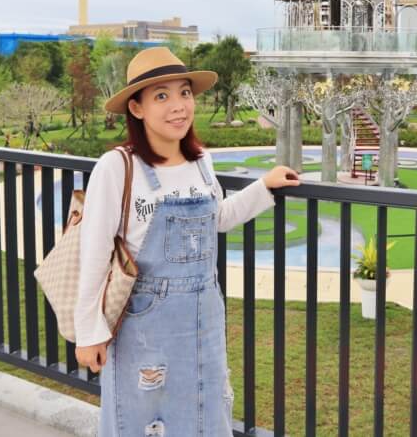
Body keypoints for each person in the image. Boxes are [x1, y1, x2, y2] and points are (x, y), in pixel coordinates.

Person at [73, 47, 299, 436]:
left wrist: (264, 187)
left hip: (204, 319)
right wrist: (89, 332)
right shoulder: (118, 167)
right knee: (144, 421)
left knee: (205, 415)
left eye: (184, 93)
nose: (178, 106)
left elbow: (218, 220)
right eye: (161, 96)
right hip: (144, 325)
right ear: (137, 108)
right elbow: (93, 253)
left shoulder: (200, 161)